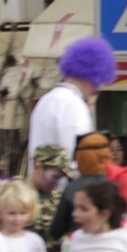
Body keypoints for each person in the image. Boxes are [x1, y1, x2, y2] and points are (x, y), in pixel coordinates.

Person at [26, 36, 115, 169]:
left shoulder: (45, 100)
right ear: (94, 75)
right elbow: (78, 157)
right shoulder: (74, 105)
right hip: (65, 186)